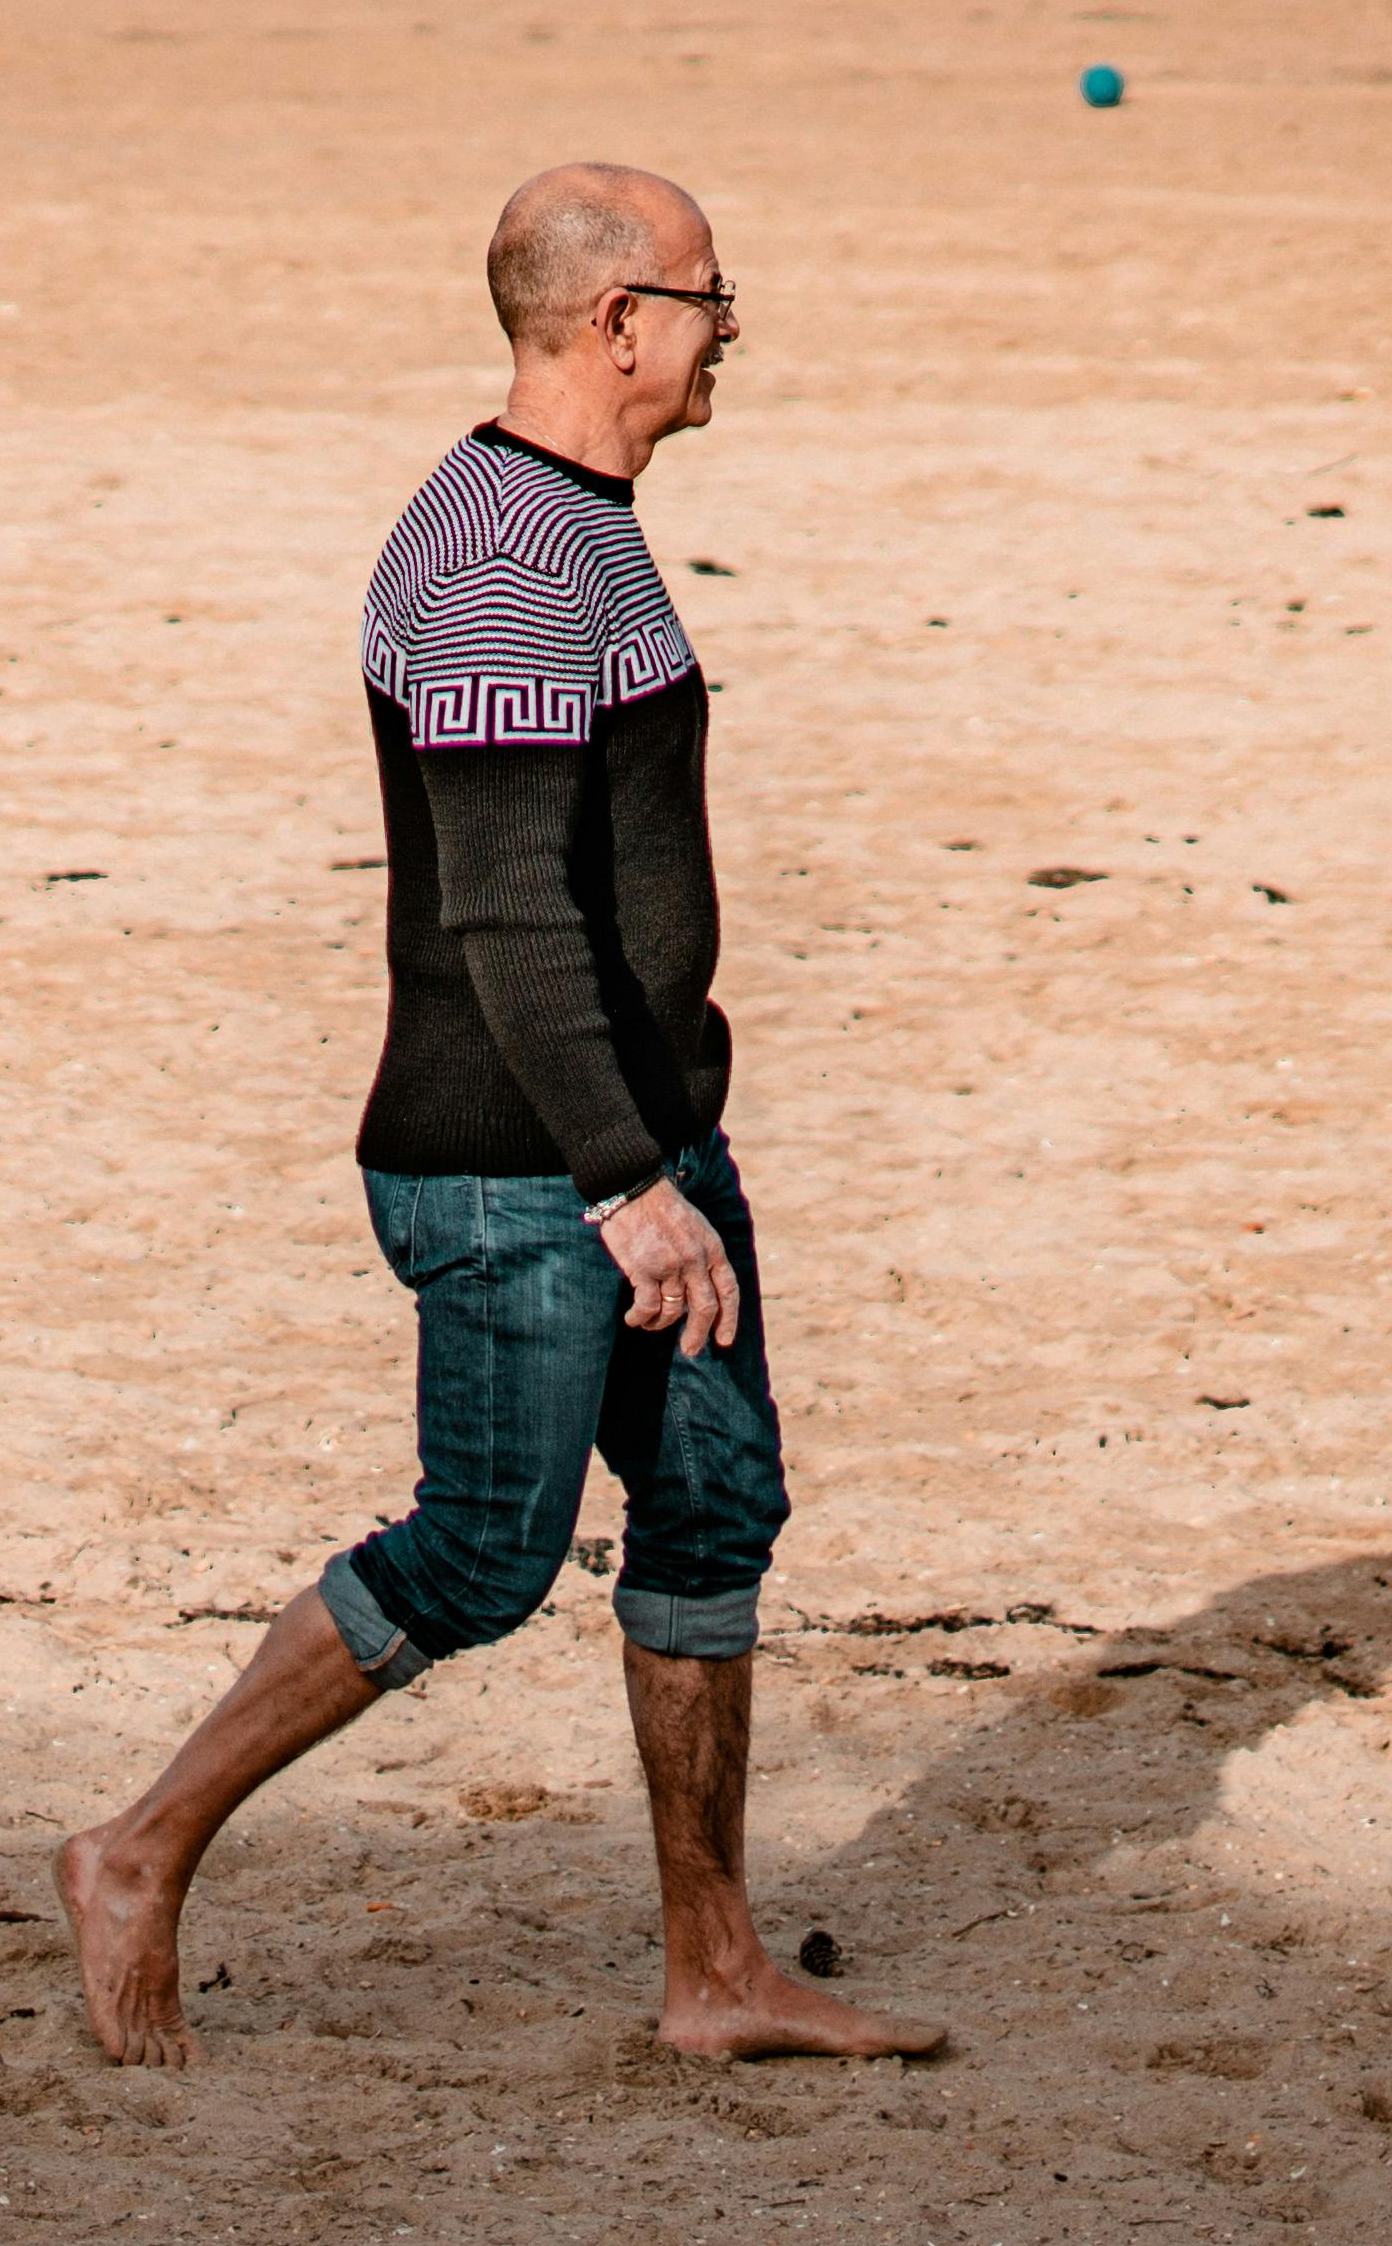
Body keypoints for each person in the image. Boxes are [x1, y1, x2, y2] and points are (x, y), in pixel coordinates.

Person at [54, 163, 943, 2073]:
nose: (730, 334)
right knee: (479, 1549)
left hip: (633, 1141)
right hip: (515, 1165)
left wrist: (660, 1145)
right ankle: (135, 1849)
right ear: (620, 322)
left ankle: (715, 1967)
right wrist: (626, 1182)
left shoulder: (578, 520)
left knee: (712, 1512)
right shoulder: (495, 563)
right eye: (713, 299)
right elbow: (505, 905)